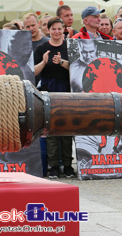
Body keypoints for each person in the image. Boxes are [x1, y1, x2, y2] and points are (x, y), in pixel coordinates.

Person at [33, 17, 75, 179]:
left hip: (67, 91)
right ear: (48, 30)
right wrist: (44, 63)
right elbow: (34, 72)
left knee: (67, 129)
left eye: (59, 29)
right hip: (48, 92)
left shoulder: (69, 46)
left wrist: (62, 62)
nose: (57, 32)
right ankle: (53, 166)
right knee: (50, 130)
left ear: (63, 29)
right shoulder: (41, 48)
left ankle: (68, 165)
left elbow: (78, 69)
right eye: (53, 29)